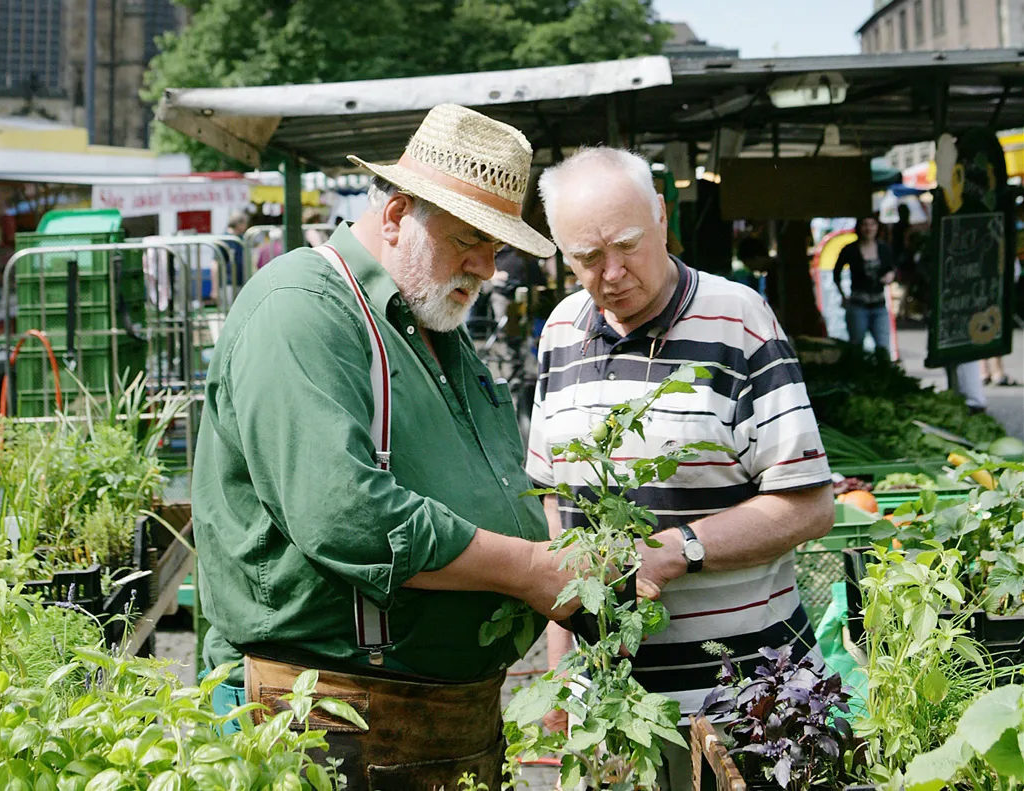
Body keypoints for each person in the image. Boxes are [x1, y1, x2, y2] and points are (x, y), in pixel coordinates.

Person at [192, 104, 584, 790]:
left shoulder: (430, 322)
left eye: (497, 248)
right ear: (398, 214)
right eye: (470, 238)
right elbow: (346, 515)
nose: (487, 268)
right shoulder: (300, 308)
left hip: (436, 721)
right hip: (328, 718)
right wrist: (525, 567)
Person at [528, 147, 835, 790]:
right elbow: (558, 511)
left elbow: (809, 504)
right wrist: (562, 676)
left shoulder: (738, 319)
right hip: (614, 713)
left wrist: (678, 548)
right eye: (587, 257)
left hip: (749, 705)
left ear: (662, 218)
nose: (611, 273)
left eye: (627, 245)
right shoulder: (560, 331)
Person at [833, 216, 896, 354]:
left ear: (877, 226)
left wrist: (890, 276)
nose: (869, 228)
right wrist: (843, 296)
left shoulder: (884, 248)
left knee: (883, 347)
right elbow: (836, 273)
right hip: (857, 304)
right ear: (859, 227)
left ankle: (882, 373)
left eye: (872, 224)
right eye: (865, 224)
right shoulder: (850, 249)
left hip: (879, 304)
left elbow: (891, 268)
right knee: (856, 346)